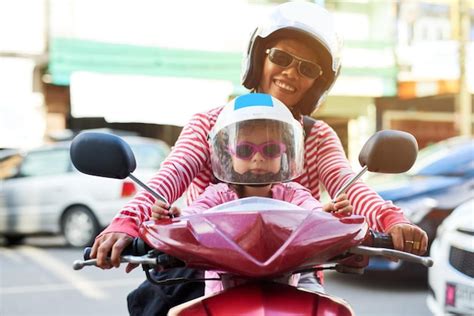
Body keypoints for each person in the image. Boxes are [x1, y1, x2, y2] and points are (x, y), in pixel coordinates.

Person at [90, 1, 428, 314]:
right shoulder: (209, 124)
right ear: (259, 58)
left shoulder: (317, 135)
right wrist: (130, 222)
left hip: (297, 275)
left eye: (307, 68)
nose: (291, 74)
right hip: (205, 272)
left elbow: (347, 186)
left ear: (317, 82)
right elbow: (172, 176)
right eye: (281, 58)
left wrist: (389, 220)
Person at [153, 93, 347, 296]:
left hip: (284, 294)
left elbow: (314, 210)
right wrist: (173, 216)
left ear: (284, 152)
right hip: (221, 298)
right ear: (228, 153)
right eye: (245, 150)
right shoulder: (218, 195)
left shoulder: (292, 194)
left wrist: (330, 212)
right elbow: (193, 214)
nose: (257, 159)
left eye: (270, 149)